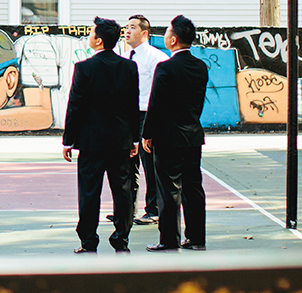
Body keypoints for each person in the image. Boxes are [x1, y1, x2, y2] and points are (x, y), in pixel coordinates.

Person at [61, 17, 141, 253]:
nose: (89, 36)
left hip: (91, 142)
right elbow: (133, 105)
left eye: (91, 33)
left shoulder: (84, 68)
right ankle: (121, 238)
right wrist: (134, 138)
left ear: (98, 40)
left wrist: (68, 140)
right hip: (120, 141)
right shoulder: (129, 67)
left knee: (89, 192)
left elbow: (75, 106)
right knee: (123, 192)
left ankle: (88, 241)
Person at [142, 15, 210, 251]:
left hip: (168, 137)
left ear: (173, 40)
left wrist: (147, 133)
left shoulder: (165, 68)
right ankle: (196, 238)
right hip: (192, 134)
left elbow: (156, 104)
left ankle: (169, 239)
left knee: (169, 189)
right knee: (193, 187)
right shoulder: (200, 67)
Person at [122, 14, 169, 224]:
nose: (127, 30)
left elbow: (164, 90)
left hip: (147, 115)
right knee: (127, 165)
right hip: (128, 116)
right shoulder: (125, 56)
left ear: (144, 33)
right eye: (126, 27)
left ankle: (154, 210)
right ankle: (127, 210)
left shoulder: (156, 57)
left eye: (133, 27)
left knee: (150, 164)